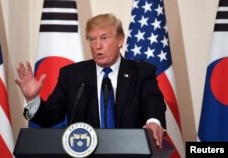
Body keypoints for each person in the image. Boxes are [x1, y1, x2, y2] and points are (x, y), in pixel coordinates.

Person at [15, 13, 167, 148]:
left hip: (131, 151)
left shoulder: (141, 72)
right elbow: (51, 117)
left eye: (104, 38)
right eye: (92, 40)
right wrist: (32, 99)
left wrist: (153, 122)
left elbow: (153, 100)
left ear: (120, 41)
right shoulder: (72, 75)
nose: (97, 46)